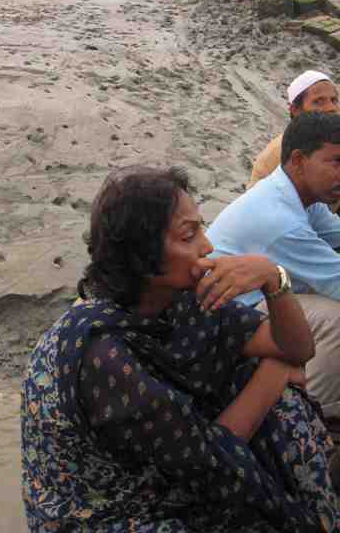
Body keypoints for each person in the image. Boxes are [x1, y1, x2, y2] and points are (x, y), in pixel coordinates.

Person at [22, 164, 339, 533]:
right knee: (265, 387)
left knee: (279, 404)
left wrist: (273, 279)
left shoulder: (178, 302)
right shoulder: (102, 354)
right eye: (189, 236)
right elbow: (212, 463)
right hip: (106, 511)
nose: (207, 246)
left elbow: (297, 347)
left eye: (201, 228)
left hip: (176, 466)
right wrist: (276, 369)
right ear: (142, 258)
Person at [208, 112, 340, 423]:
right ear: (298, 160)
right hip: (227, 320)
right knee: (336, 319)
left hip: (252, 301)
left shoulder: (298, 194)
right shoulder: (281, 220)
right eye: (336, 162)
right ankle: (312, 416)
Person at [248, 70, 338, 188]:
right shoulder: (275, 155)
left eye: (334, 100)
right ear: (295, 110)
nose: (331, 108)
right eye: (319, 101)